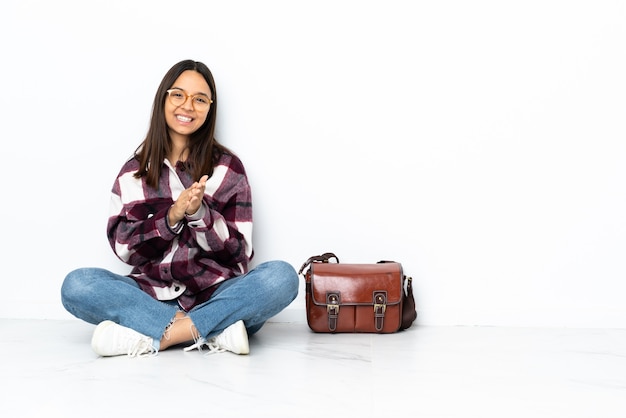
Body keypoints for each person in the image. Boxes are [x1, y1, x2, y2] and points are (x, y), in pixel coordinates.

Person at [61, 59, 299, 357]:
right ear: (164, 98)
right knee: (77, 285)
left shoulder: (227, 169)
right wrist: (171, 217)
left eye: (200, 99)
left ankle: (154, 335)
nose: (188, 106)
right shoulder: (133, 173)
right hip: (151, 295)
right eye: (178, 95)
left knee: (281, 277)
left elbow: (240, 253)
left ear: (210, 108)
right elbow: (125, 249)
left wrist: (201, 215)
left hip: (218, 295)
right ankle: (213, 331)